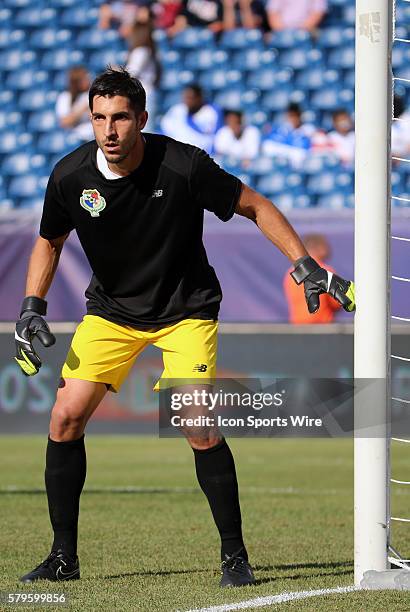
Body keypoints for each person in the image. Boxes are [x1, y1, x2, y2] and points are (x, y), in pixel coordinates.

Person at [14, 67, 355, 587]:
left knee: (196, 425)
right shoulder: (68, 177)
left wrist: (303, 263)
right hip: (110, 312)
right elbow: (49, 240)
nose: (110, 130)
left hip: (185, 310)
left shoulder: (181, 164)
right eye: (99, 118)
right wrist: (32, 305)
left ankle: (235, 557)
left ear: (141, 119)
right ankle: (63, 557)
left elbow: (255, 206)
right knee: (63, 419)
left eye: (121, 118)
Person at [283, 234, 341, 324]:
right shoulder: (325, 271)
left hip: (298, 328)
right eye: (326, 246)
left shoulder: (291, 274)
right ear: (319, 247)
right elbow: (337, 302)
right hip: (322, 328)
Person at [160, 84, 222, 153]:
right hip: (176, 153)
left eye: (190, 98)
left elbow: (212, 138)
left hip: (199, 154)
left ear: (199, 98)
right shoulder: (177, 110)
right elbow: (165, 130)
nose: (187, 101)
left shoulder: (210, 112)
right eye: (186, 98)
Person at [125, 19, 161, 132]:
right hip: (148, 92)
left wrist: (115, 71)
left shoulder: (141, 51)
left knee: (145, 130)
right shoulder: (148, 51)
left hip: (144, 94)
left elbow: (131, 73)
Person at [262, 102, 313, 167]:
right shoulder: (282, 129)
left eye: (295, 116)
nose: (293, 119)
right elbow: (268, 147)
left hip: (301, 164)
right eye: (290, 116)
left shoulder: (308, 129)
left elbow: (305, 152)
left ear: (300, 116)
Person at [55, 66, 94, 142]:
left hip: (92, 137)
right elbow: (64, 122)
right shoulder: (65, 97)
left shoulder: (92, 94)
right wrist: (82, 109)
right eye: (85, 78)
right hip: (75, 138)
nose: (88, 80)